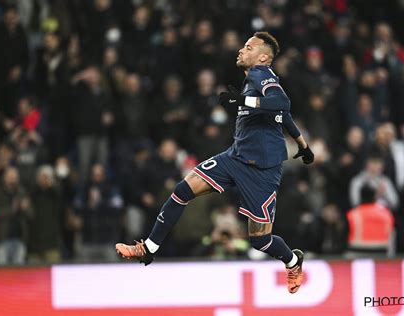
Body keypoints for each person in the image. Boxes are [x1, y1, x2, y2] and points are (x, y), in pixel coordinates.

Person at [116, 32, 314, 294]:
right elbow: (283, 114)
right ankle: (149, 248)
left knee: (260, 241)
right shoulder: (254, 79)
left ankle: (292, 260)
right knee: (182, 190)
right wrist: (303, 145)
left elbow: (282, 102)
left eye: (249, 47)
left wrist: (243, 101)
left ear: (263, 57)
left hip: (262, 170)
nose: (242, 50)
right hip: (235, 157)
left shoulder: (260, 74)